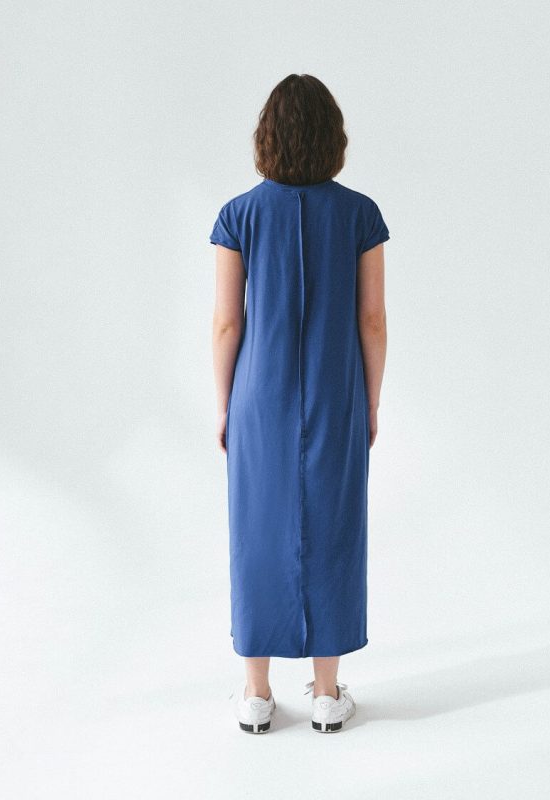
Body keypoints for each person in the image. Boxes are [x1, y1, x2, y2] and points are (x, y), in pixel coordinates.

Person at [210, 74, 389, 734]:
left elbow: (227, 323)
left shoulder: (238, 215)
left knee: (256, 529)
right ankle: (326, 692)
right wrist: (371, 403)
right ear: (332, 137)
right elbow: (371, 319)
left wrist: (226, 405)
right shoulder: (360, 215)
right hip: (337, 390)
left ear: (267, 136)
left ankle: (257, 694)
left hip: (259, 395)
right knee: (334, 525)